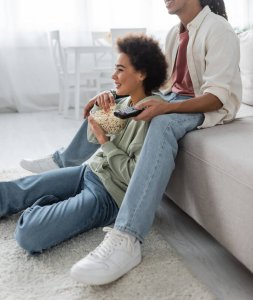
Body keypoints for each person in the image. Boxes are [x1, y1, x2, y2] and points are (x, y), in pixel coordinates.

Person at [20, 0, 242, 285]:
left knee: (162, 123)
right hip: (176, 98)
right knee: (118, 106)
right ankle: (62, 161)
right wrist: (114, 95)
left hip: (207, 107)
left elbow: (218, 97)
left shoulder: (217, 29)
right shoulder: (175, 33)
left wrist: (165, 107)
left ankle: (127, 238)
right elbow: (159, 84)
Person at [0, 35, 167, 263]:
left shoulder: (153, 119)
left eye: (120, 70)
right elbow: (93, 134)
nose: (113, 76)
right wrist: (100, 112)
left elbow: (133, 176)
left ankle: (50, 204)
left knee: (29, 235)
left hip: (108, 195)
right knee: (18, 189)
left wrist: (104, 143)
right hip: (90, 171)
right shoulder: (126, 102)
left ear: (142, 74)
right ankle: (53, 200)